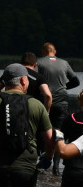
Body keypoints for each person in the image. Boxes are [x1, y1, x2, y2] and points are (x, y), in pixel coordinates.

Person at [36, 42, 80, 176]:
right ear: (54, 51)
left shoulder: (39, 63)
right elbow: (76, 81)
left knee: (41, 130)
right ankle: (56, 168)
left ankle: (43, 162)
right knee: (58, 133)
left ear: (43, 51)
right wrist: (64, 88)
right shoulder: (64, 63)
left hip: (44, 101)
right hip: (62, 101)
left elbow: (34, 80)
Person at [53, 92, 83, 187]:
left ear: (80, 101)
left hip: (73, 169)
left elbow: (61, 144)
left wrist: (51, 158)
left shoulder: (71, 118)